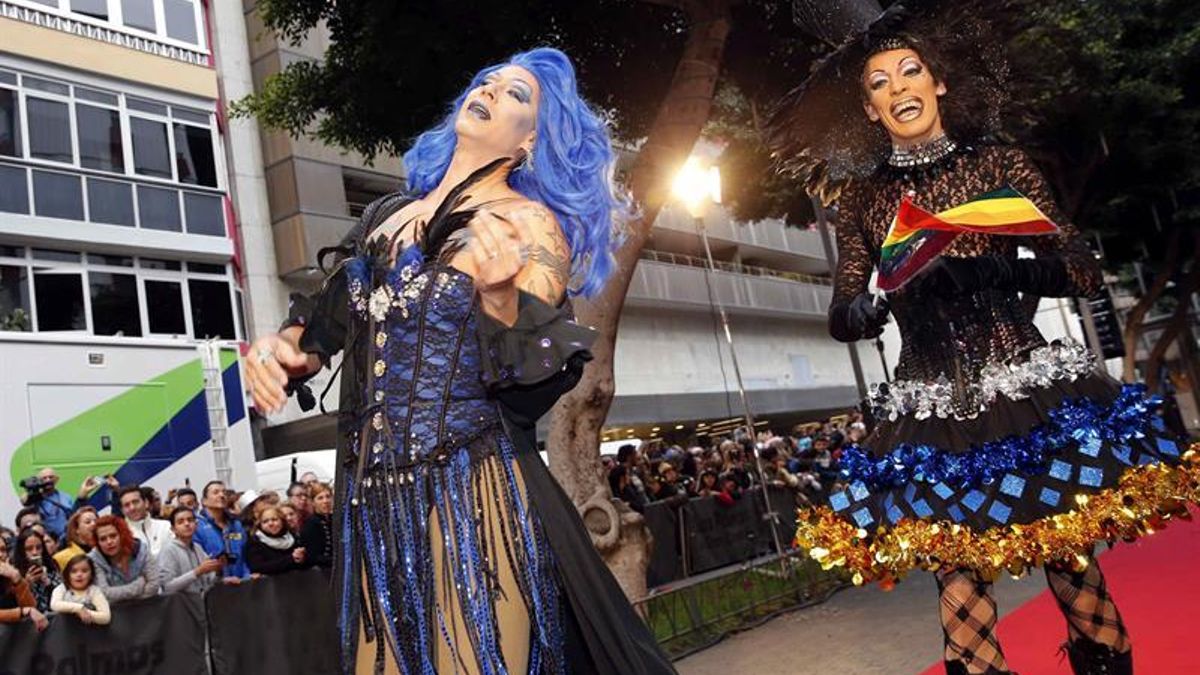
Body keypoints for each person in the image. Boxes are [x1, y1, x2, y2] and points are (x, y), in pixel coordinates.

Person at [769, 4, 1200, 673]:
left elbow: (1081, 268)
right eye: (878, 83)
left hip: (1028, 396)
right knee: (960, 594)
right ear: (869, 109)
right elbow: (844, 303)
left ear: (939, 83)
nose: (898, 88)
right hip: (932, 413)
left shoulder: (999, 164)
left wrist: (1001, 266)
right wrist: (858, 314)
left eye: (909, 72)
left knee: (1074, 572)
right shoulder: (862, 199)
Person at [245, 47, 675, 674]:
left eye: (516, 95)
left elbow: (537, 373)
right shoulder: (383, 219)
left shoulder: (531, 226)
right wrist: (282, 348)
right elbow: (321, 326)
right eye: (488, 82)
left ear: (532, 140)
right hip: (373, 499)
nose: (492, 91)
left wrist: (500, 299)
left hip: (473, 491)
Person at [88, 515, 160, 603]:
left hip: (148, 606)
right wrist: (139, 584)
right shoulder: (93, 559)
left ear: (122, 535)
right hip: (115, 612)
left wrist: (132, 604)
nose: (109, 542)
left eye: (113, 536)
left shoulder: (141, 549)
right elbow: (104, 593)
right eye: (103, 539)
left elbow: (154, 584)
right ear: (97, 543)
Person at [194, 480, 250, 581]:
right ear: (204, 501)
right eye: (216, 492)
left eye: (224, 492)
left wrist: (247, 576)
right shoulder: (197, 526)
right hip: (214, 585)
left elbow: (245, 553)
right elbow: (197, 561)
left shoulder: (236, 525)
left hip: (242, 582)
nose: (221, 495)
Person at [158, 507, 223, 594]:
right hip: (181, 605)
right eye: (181, 522)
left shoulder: (197, 547)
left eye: (190, 520)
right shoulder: (168, 550)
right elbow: (167, 587)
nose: (187, 524)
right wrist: (197, 571)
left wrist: (218, 571)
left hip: (200, 603)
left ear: (196, 525)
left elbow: (208, 581)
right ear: (173, 529)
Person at [20, 467, 93, 540]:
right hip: (46, 540)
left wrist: (82, 495)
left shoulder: (66, 497)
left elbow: (74, 515)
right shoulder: (35, 498)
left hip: (66, 537)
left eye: (51, 477)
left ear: (57, 479)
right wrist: (31, 490)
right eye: (44, 478)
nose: (48, 480)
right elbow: (24, 501)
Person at [50, 555, 111, 626]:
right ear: (67, 574)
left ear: (91, 574)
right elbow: (54, 605)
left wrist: (83, 612)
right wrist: (78, 609)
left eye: (84, 571)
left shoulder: (94, 591)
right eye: (74, 571)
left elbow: (105, 617)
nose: (79, 575)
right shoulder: (62, 588)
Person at [11, 527, 62, 613]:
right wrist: (26, 584)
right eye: (29, 549)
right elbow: (14, 604)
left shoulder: (51, 566)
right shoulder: (14, 573)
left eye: (38, 548)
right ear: (22, 551)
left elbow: (65, 595)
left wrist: (48, 582)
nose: (35, 552)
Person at [245, 507, 306, 576]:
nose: (270, 524)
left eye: (274, 519)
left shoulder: (293, 538)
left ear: (282, 521)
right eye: (265, 521)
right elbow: (258, 567)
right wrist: (291, 559)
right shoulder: (255, 542)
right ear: (260, 525)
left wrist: (301, 558)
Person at [118, 485, 172, 556]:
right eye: (127, 505)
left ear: (146, 503)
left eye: (135, 502)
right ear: (122, 510)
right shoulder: (121, 536)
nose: (132, 508)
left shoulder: (165, 526)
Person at [0, 556, 47, 631]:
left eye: (3, 550)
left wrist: (18, 580)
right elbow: (28, 610)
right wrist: (23, 611)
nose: (0, 555)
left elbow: (32, 608)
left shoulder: (9, 578)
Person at [299, 482, 334, 569]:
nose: (325, 501)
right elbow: (313, 556)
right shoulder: (310, 524)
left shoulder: (335, 519)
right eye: (320, 498)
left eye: (328, 496)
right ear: (313, 502)